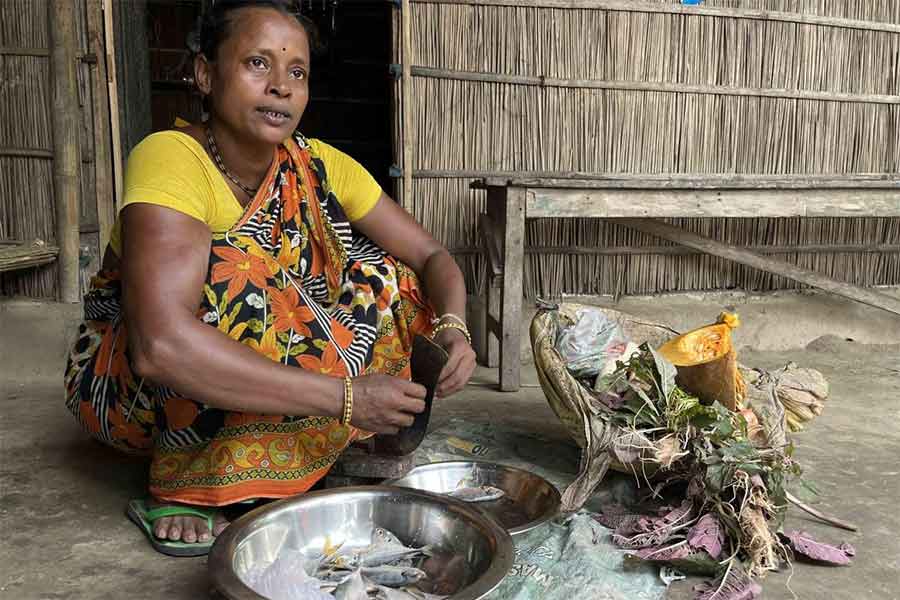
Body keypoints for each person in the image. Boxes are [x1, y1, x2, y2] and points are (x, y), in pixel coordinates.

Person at [64, 0, 475, 556]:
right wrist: (347, 399)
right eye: (258, 64)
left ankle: (313, 445)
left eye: (297, 71)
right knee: (239, 273)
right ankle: (193, 486)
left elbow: (431, 256)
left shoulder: (318, 162)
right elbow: (158, 346)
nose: (280, 86)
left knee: (386, 280)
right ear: (206, 74)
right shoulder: (171, 158)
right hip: (130, 387)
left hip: (293, 377)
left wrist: (455, 328)